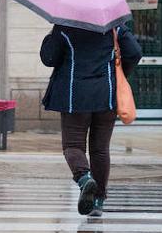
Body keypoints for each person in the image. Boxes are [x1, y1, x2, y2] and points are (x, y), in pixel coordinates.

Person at [40, 23, 142, 217]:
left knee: (73, 145)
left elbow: (49, 58)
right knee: (100, 149)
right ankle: (98, 200)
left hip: (73, 94)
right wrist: (119, 74)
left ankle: (84, 178)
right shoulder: (114, 26)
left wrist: (51, 35)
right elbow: (135, 52)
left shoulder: (65, 26)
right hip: (107, 93)